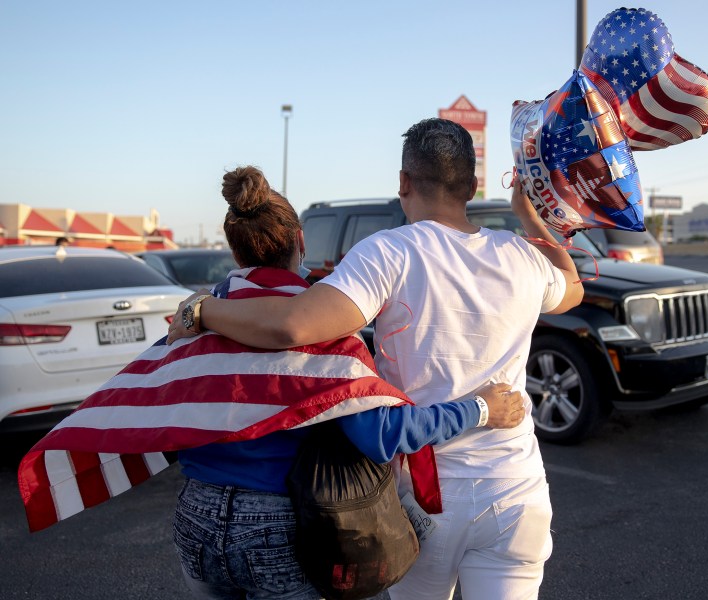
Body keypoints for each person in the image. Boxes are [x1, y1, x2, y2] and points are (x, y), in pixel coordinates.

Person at [168, 121, 584, 600]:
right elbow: (572, 289)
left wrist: (203, 309)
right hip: (515, 489)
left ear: (404, 182)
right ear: (471, 186)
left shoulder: (389, 252)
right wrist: (530, 216)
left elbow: (293, 325)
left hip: (427, 495)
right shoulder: (521, 257)